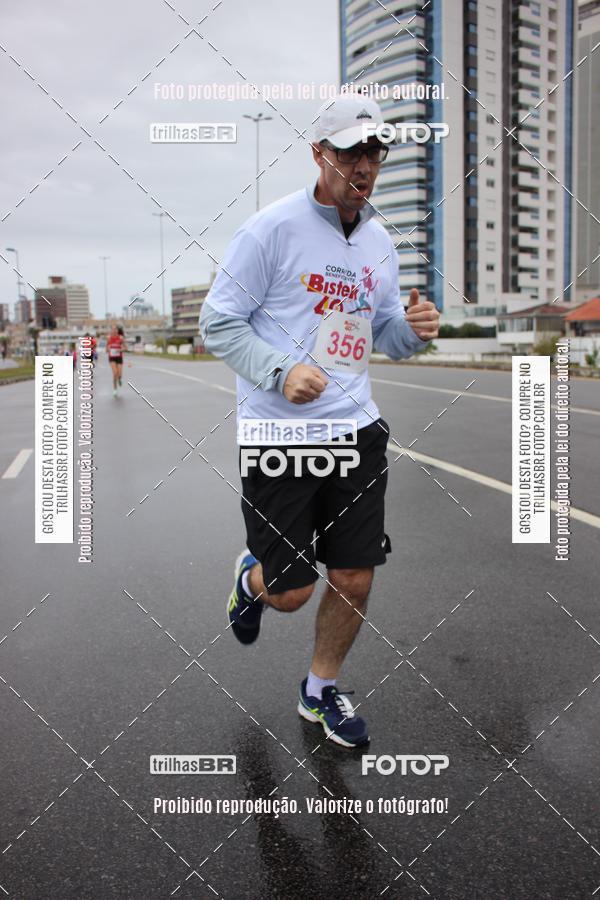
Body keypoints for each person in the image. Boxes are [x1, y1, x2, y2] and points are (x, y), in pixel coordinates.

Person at [199, 94, 440, 748]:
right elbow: (216, 324)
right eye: (350, 150)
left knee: (355, 575)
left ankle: (319, 691)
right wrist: (281, 370)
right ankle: (254, 581)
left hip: (356, 429)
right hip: (280, 435)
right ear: (319, 155)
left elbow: (381, 334)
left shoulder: (379, 241)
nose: (364, 164)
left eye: (374, 151)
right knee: (293, 592)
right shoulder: (270, 231)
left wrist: (413, 333)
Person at [106, 324, 126, 396]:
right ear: (111, 330)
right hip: (112, 357)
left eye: (115, 329)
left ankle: (119, 379)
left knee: (119, 374)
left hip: (119, 357)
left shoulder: (121, 338)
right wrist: (108, 349)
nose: (114, 331)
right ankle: (115, 389)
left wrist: (120, 350)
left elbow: (125, 348)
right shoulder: (109, 338)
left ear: (117, 330)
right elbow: (106, 349)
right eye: (113, 329)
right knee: (115, 373)